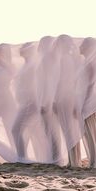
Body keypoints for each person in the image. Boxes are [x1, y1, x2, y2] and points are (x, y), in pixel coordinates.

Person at [54, 35, 82, 167]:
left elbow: (59, 81)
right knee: (71, 128)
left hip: (63, 96)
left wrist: (54, 99)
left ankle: (73, 161)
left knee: (67, 128)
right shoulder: (72, 58)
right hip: (71, 95)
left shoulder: (63, 59)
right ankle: (75, 159)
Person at [36, 36, 64, 165]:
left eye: (41, 44)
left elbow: (49, 82)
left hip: (47, 100)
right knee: (49, 129)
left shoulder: (47, 60)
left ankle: (55, 158)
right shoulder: (46, 59)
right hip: (45, 98)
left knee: (51, 130)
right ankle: (53, 157)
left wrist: (47, 101)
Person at [11, 42, 40, 162]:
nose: (20, 49)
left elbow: (36, 84)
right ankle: (22, 156)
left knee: (16, 129)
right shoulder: (25, 65)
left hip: (30, 103)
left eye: (23, 48)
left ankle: (22, 157)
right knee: (21, 130)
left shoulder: (33, 65)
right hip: (24, 102)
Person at [78, 37, 96, 169]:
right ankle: (92, 160)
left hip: (88, 99)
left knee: (90, 130)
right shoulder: (86, 62)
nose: (79, 47)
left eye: (82, 45)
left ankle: (94, 161)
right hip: (84, 98)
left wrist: (85, 100)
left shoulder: (90, 63)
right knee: (86, 131)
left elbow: (90, 85)